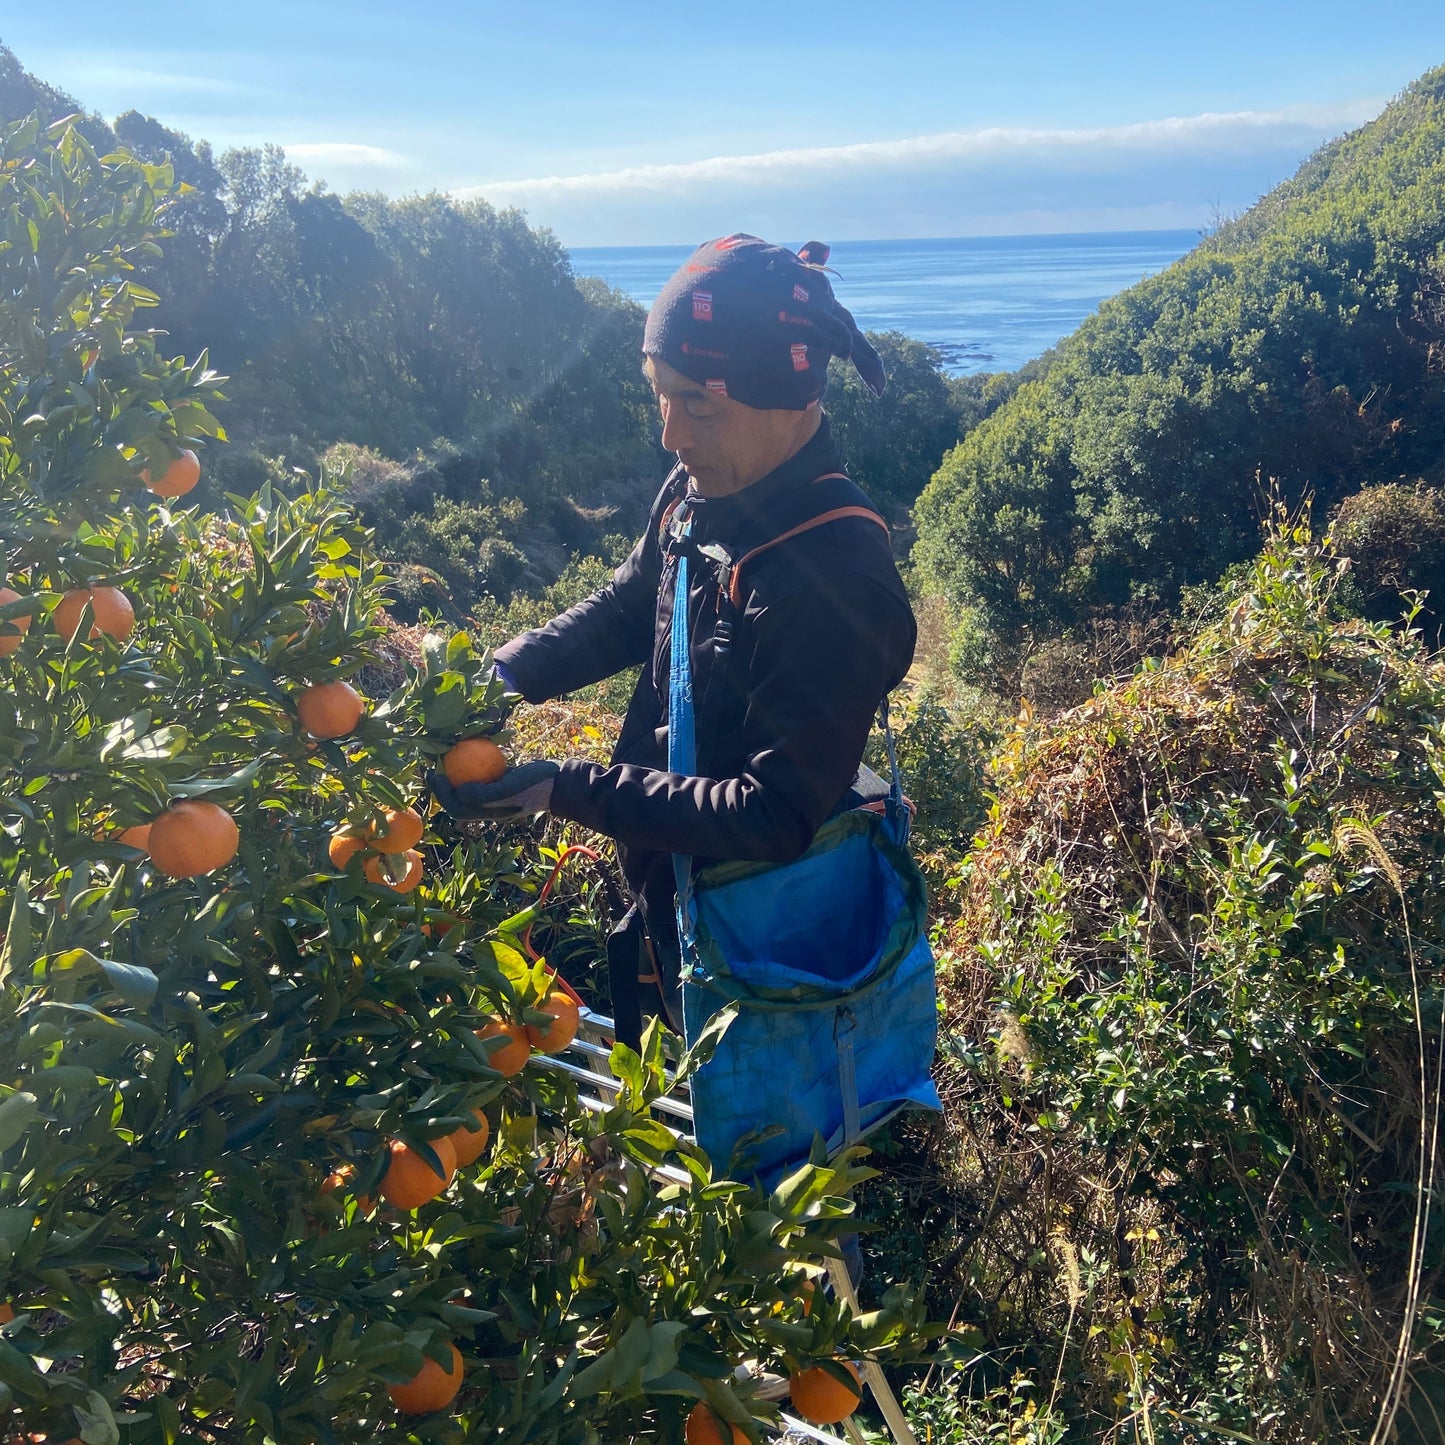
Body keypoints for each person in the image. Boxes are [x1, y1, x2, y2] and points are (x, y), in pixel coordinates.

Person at [431, 234, 917, 1047]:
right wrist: (502, 677)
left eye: (699, 403)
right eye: (660, 394)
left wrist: (564, 787)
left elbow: (772, 815)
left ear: (791, 395)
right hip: (675, 886)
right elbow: (630, 606)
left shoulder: (836, 580)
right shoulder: (701, 486)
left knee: (758, 1127)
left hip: (766, 931)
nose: (671, 433)